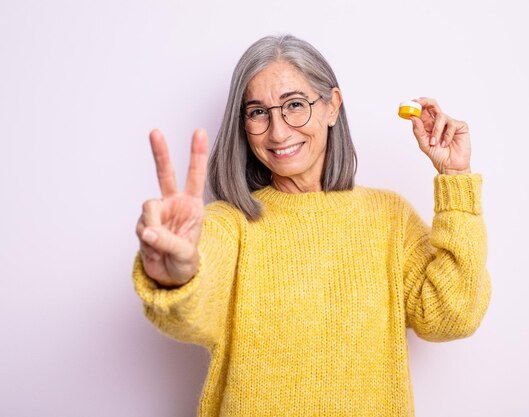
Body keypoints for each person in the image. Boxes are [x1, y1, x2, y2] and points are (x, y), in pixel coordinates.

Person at [133, 34, 491, 417]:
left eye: (294, 105)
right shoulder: (230, 225)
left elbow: (453, 315)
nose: (278, 131)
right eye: (257, 112)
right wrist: (177, 275)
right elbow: (195, 306)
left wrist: (456, 177)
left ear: (332, 106)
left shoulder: (389, 218)